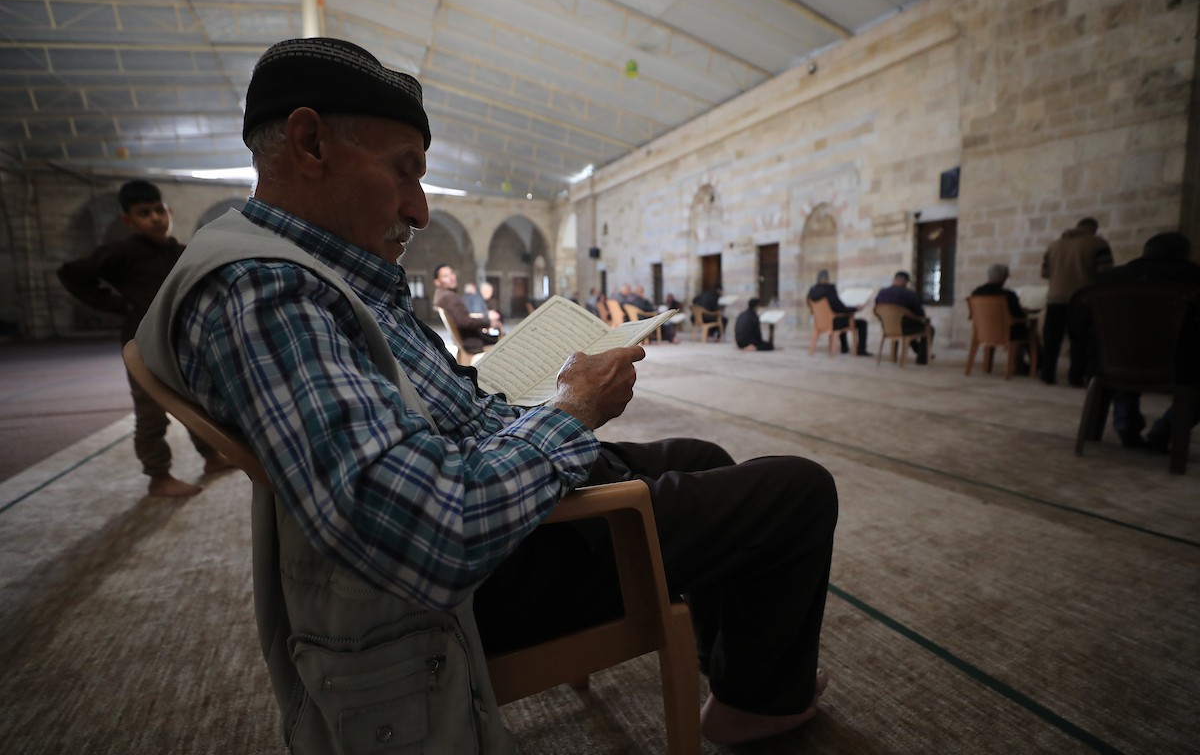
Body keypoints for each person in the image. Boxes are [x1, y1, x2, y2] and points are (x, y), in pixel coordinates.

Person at [133, 38, 838, 751]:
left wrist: (532, 406)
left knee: (703, 454)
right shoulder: (265, 292)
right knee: (799, 491)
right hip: (478, 584)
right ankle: (756, 703)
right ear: (310, 143)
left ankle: (742, 679)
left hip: (495, 501)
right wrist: (572, 410)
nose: (419, 211)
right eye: (404, 171)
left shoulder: (307, 269)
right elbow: (431, 530)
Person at [57, 179, 230, 497]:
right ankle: (159, 476)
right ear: (128, 220)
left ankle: (211, 457)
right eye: (144, 213)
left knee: (195, 404)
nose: (155, 218)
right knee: (151, 413)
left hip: (180, 344)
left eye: (159, 210)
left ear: (169, 211)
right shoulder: (122, 253)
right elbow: (71, 273)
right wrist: (116, 304)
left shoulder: (181, 252)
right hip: (141, 346)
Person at [1091, 232, 1200, 450]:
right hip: (1180, 364)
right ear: (1186, 254)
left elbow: (1085, 324)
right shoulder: (1194, 277)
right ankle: (1165, 429)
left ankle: (1125, 421)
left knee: (1127, 351)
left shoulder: (1108, 279)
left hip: (1114, 361)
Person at [1040, 217, 1113, 386]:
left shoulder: (1054, 245)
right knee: (1080, 340)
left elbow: (1045, 273)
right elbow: (1105, 272)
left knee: (1051, 338)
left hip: (1055, 298)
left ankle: (1047, 374)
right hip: (1082, 298)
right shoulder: (1097, 243)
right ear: (1093, 228)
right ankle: (1076, 377)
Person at [970, 263, 1032, 374]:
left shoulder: (976, 293)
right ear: (1002, 278)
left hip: (983, 332)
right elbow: (1019, 315)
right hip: (1007, 333)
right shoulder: (1008, 295)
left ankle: (989, 367)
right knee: (1030, 332)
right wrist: (1025, 312)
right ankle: (1033, 364)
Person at [433, 263, 500, 354]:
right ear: (437, 282)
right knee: (508, 341)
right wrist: (488, 322)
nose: (451, 278)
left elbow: (463, 317)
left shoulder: (443, 295)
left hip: (471, 339)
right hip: (473, 343)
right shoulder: (448, 297)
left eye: (452, 273)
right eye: (445, 276)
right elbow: (464, 321)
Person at [874, 271, 935, 364]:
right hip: (906, 328)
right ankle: (922, 359)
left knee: (909, 328)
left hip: (887, 327)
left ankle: (918, 352)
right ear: (905, 282)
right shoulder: (910, 294)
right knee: (929, 329)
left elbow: (877, 308)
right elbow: (920, 314)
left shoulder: (882, 293)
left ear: (894, 280)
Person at [806, 270, 870, 356]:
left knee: (842, 318)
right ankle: (861, 350)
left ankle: (844, 348)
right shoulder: (829, 290)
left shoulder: (811, 292)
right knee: (861, 323)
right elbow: (839, 308)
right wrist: (855, 309)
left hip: (819, 324)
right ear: (826, 279)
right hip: (833, 323)